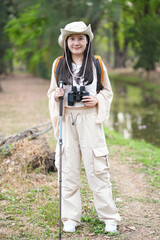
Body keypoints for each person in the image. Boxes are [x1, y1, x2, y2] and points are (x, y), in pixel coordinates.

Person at [47, 21, 121, 234]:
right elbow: (51, 92)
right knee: (68, 167)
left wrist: (97, 99)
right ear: (66, 42)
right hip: (67, 117)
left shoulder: (97, 63)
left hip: (89, 119)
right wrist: (56, 95)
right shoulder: (58, 63)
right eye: (72, 38)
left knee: (98, 168)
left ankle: (109, 218)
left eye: (81, 38)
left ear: (87, 40)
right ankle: (70, 218)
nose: (76, 42)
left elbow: (108, 91)